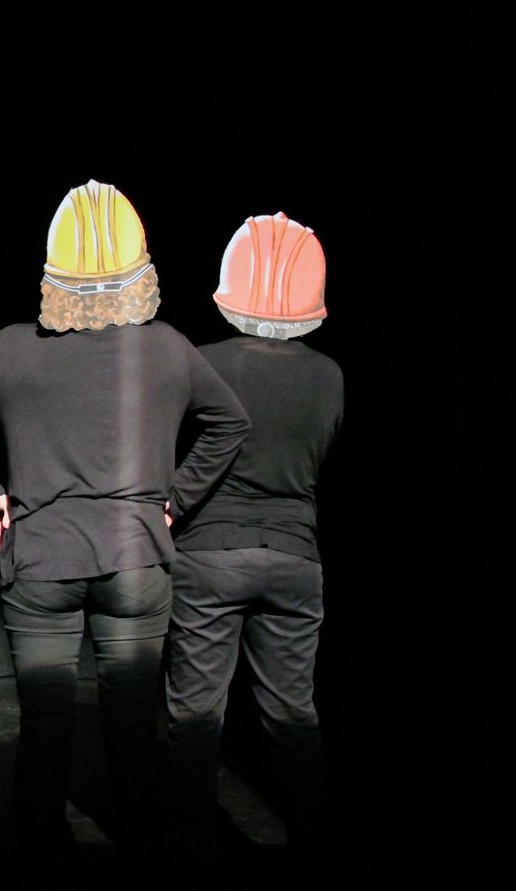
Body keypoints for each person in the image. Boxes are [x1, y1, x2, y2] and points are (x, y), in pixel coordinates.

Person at [0, 181, 249, 862]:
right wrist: (175, 500)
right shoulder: (167, 348)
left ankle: (40, 852)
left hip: (42, 561)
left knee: (45, 726)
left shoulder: (10, 349)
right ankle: (143, 846)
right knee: (131, 727)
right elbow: (229, 424)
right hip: (136, 560)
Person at [164, 212, 342, 871]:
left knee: (194, 714)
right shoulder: (330, 376)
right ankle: (315, 845)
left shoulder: (203, 363)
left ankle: (191, 851)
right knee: (293, 714)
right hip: (296, 558)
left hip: (212, 554)